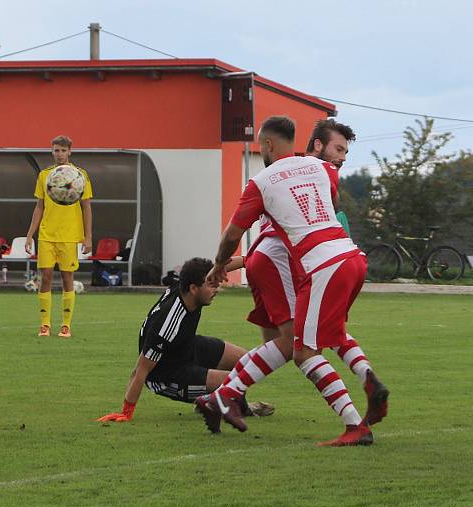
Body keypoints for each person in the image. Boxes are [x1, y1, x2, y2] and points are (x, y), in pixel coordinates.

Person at [196, 116, 388, 447]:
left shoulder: (260, 182)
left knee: (297, 347)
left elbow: (232, 234)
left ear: (267, 144)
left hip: (313, 263)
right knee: (319, 334)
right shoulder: (321, 169)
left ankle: (355, 423)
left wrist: (218, 264)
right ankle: (364, 377)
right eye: (339, 149)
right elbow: (331, 205)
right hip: (352, 257)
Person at [97, 257, 273, 422]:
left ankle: (210, 400)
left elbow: (220, 267)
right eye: (211, 286)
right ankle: (238, 407)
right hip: (167, 374)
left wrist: (252, 259)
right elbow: (141, 370)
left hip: (186, 347)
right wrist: (126, 413)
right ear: (194, 288)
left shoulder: (187, 285)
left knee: (247, 362)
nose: (216, 290)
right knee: (233, 380)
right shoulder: (167, 324)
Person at [25, 135, 93, 338]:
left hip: (70, 236)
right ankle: (45, 324)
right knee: (44, 277)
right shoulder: (44, 175)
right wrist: (30, 235)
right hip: (47, 234)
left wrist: (88, 237)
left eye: (63, 150)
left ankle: (66, 325)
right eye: (56, 150)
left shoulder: (80, 175)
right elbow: (39, 206)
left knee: (67, 278)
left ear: (70, 152)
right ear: (52, 151)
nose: (59, 154)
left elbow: (87, 207)